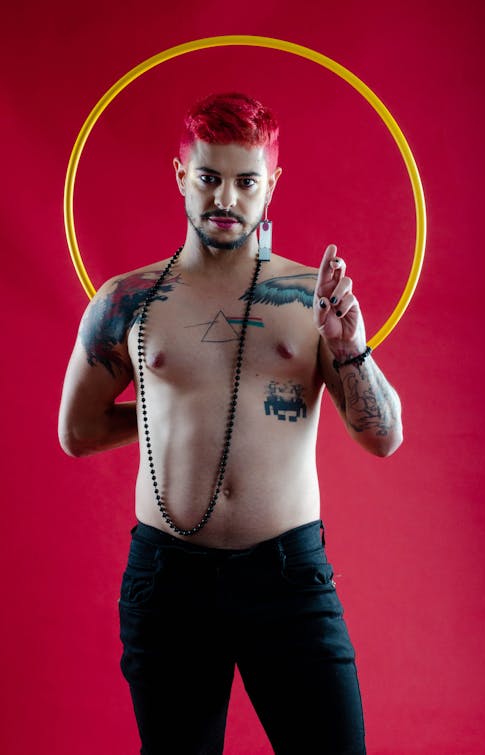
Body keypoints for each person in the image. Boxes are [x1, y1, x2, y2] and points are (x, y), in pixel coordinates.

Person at [58, 92, 402, 755]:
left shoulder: (312, 299)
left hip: (288, 579)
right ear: (182, 175)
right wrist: (170, 413)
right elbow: (78, 431)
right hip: (168, 580)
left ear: (270, 184)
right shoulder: (127, 300)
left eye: (246, 181)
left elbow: (383, 436)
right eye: (210, 176)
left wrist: (350, 345)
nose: (226, 196)